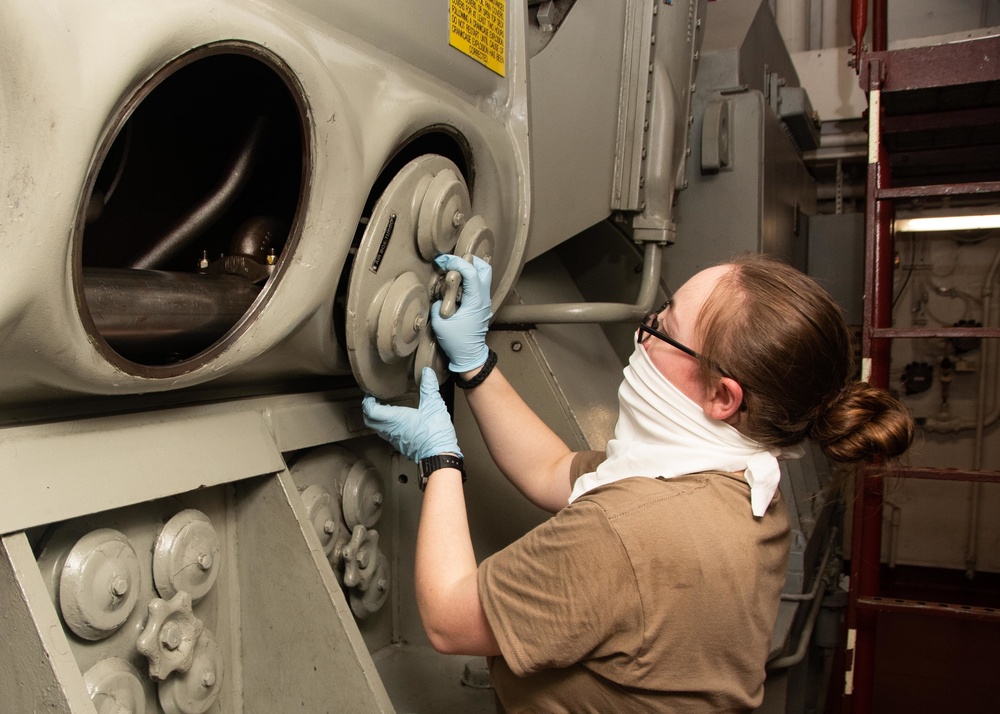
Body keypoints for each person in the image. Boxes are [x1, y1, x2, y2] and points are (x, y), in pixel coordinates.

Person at [362, 252, 914, 713]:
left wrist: (440, 459)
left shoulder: (632, 532)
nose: (642, 332)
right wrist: (475, 365)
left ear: (723, 396)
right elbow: (554, 470)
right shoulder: (735, 480)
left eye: (663, 330)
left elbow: (449, 620)